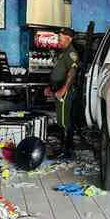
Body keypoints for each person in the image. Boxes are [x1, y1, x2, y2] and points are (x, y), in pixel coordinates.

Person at [45, 28, 79, 157]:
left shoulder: (71, 53)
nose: (58, 40)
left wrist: (63, 89)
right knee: (61, 119)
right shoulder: (63, 53)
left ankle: (66, 151)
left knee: (65, 122)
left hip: (65, 91)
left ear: (69, 39)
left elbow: (72, 72)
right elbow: (57, 72)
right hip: (58, 88)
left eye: (61, 38)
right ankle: (64, 149)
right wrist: (50, 87)